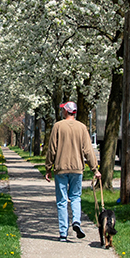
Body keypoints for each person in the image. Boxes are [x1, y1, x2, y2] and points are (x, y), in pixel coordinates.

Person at [43, 101, 101, 241]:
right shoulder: (81, 127)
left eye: (63, 109)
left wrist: (48, 167)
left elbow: (52, 149)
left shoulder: (57, 126)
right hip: (77, 168)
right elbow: (88, 150)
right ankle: (76, 221)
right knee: (75, 197)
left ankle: (63, 233)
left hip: (61, 168)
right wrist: (95, 169)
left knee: (62, 201)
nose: (62, 111)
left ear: (66, 111)